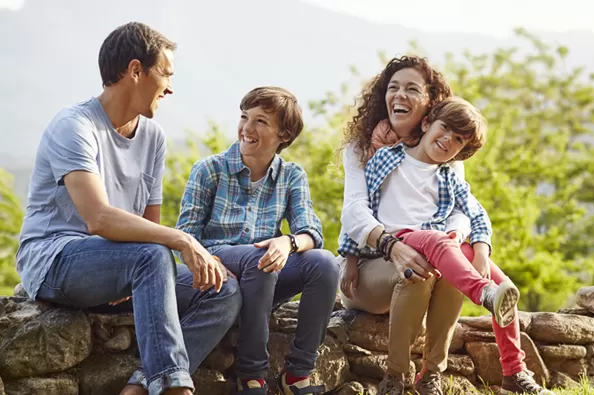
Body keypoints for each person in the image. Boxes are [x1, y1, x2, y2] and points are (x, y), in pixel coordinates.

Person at [15, 22, 240, 395]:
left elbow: (146, 227)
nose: (170, 87)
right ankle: (173, 389)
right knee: (151, 256)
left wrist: (132, 266)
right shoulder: (74, 126)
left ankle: (139, 385)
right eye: (165, 74)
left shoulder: (153, 137)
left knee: (221, 289)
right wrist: (182, 240)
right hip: (55, 260)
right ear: (135, 70)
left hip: (125, 265)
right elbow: (98, 218)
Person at [341, 97, 555, 395]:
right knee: (438, 241)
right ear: (427, 123)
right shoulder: (388, 159)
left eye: (458, 140)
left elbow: (476, 213)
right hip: (397, 242)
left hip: (439, 245)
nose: (448, 141)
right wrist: (350, 255)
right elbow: (358, 210)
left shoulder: (448, 177)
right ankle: (481, 294)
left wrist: (481, 250)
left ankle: (514, 372)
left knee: (503, 284)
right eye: (445, 130)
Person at [176, 86, 339, 395]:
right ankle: (251, 375)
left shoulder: (291, 176)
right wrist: (214, 266)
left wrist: (287, 243)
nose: (247, 128)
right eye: (244, 116)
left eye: (261, 121)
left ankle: (298, 375)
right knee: (260, 258)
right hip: (213, 268)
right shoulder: (209, 170)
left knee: (325, 263)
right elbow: (186, 238)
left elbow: (311, 232)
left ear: (284, 135)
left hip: (264, 275)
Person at [338, 55, 470, 395]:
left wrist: (453, 237)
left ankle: (430, 375)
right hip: (369, 267)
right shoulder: (362, 149)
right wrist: (391, 246)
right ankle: (394, 380)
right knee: (415, 269)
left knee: (453, 267)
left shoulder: (445, 153)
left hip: (429, 249)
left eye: (412, 89)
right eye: (393, 88)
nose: (399, 95)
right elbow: (353, 211)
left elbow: (461, 210)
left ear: (430, 104)